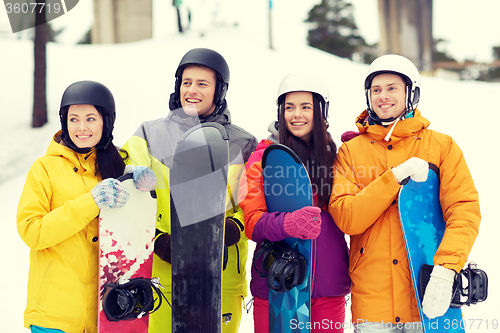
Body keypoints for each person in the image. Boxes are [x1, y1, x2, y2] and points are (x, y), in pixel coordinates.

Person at [329, 54, 481, 332]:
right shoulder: (351, 152)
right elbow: (347, 218)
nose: (382, 96)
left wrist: (447, 269)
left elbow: (464, 211)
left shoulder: (442, 147)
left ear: (412, 93)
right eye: (376, 90)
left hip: (428, 292)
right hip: (373, 303)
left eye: (392, 88)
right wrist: (393, 178)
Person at [121, 48, 258, 333]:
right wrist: (157, 240)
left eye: (202, 83)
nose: (192, 90)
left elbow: (255, 204)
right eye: (186, 82)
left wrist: (233, 228)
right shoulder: (149, 134)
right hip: (163, 277)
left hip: (221, 278)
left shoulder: (243, 143)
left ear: (219, 90)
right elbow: (127, 195)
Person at [17, 81, 156, 333]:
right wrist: (90, 201)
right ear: (64, 122)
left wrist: (139, 190)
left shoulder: (114, 167)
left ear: (106, 121)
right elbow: (32, 231)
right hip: (55, 317)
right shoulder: (44, 169)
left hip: (105, 316)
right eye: (74, 119)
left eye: (91, 118)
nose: (81, 127)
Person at [239, 72, 351, 333]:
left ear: (322, 112)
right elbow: (252, 223)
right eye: (289, 107)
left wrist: (364, 149)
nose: (296, 115)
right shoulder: (263, 158)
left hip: (328, 288)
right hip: (279, 286)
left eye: (305, 107)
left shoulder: (337, 157)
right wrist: (288, 223)